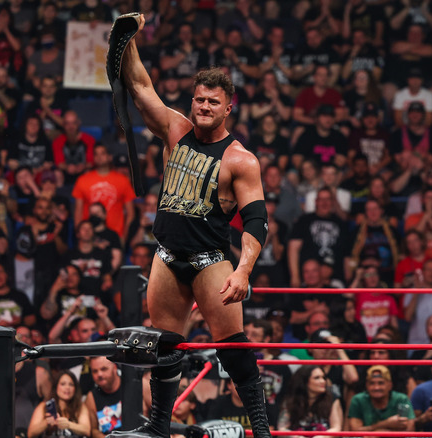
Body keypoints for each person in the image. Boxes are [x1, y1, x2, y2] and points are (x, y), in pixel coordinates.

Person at [116, 15, 271, 438]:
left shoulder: (241, 160)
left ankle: (261, 430)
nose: (204, 107)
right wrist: (125, 39)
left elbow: (257, 221)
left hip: (210, 262)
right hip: (167, 256)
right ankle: (158, 428)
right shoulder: (175, 130)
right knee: (166, 345)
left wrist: (243, 272)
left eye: (212, 102)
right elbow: (140, 87)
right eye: (199, 100)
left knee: (233, 347)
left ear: (228, 107)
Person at [348, 365, 415, 434]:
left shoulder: (401, 399)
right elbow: (355, 432)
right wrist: (385, 424)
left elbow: (409, 429)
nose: (376, 387)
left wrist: (379, 432)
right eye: (372, 383)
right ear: (367, 386)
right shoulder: (358, 400)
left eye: (381, 383)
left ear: (390, 385)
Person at [277, 365, 343, 434]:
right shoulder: (291, 400)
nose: (323, 381)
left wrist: (322, 436)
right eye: (317, 378)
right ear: (304, 381)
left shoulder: (332, 398)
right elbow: (282, 428)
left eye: (323, 378)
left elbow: (336, 428)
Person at [27, 370, 91, 438]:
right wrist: (46, 423)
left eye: (71, 384)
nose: (67, 388)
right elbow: (30, 433)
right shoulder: (44, 406)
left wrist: (69, 425)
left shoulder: (80, 407)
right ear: (56, 387)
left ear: (75, 388)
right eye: (63, 384)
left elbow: (86, 430)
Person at [85, 356, 123, 436]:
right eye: (95, 371)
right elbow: (94, 430)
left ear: (115, 368)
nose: (99, 374)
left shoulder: (130, 386)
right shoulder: (91, 397)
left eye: (104, 369)